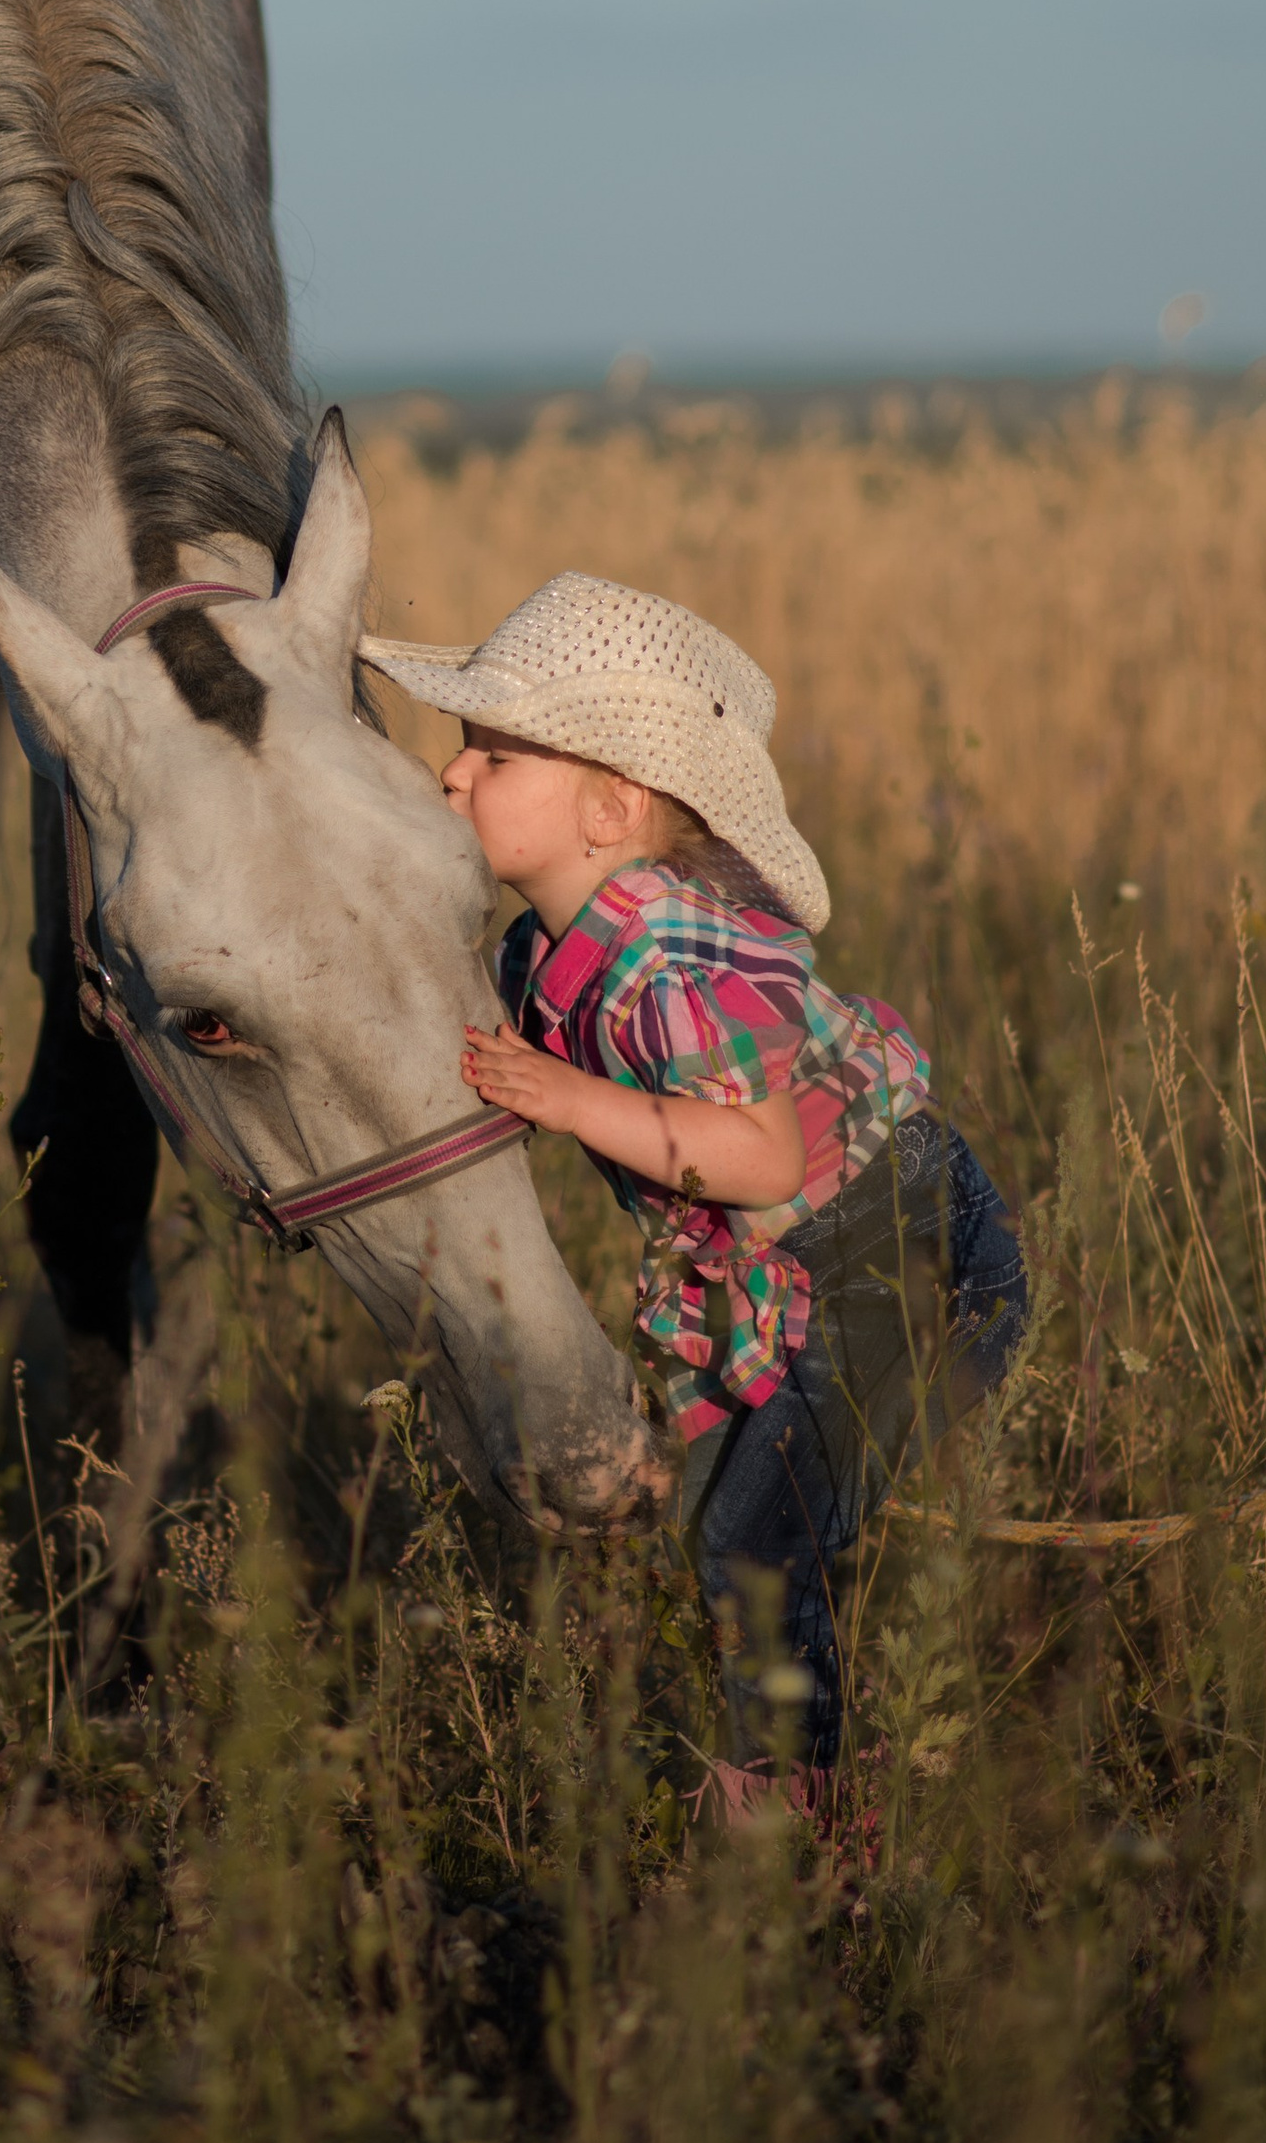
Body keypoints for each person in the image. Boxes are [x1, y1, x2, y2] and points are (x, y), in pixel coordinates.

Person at [362, 572, 1029, 1789]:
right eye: (459, 753)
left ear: (609, 807)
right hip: (788, 1261)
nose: (452, 776)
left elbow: (763, 1156)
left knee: (757, 1538)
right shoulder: (540, 953)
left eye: (493, 756)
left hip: (905, 1244)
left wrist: (570, 1100)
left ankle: (804, 1828)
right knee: (726, 1519)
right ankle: (787, 1778)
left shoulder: (675, 957)